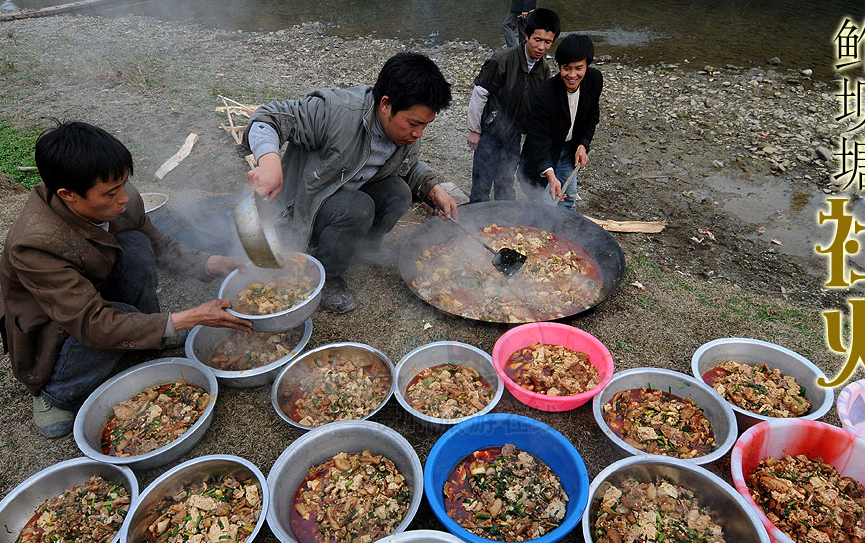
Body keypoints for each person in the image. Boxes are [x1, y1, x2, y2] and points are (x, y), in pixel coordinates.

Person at [0, 122, 251, 438]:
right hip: (58, 326)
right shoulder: (36, 244)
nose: (123, 198)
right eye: (110, 193)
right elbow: (92, 324)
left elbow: (158, 245)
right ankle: (56, 393)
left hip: (94, 292)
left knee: (135, 243)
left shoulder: (123, 198)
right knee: (111, 320)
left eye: (123, 184)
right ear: (68, 195)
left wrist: (212, 262)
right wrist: (188, 318)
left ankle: (148, 334)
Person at [244, 52, 458, 314]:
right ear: (386, 104)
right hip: (302, 207)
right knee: (358, 207)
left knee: (399, 193)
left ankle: (362, 249)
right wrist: (269, 162)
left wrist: (433, 188)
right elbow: (267, 118)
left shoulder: (406, 134)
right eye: (414, 123)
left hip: (346, 196)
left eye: (425, 125)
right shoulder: (337, 112)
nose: (418, 133)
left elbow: (409, 166)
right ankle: (326, 273)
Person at [468, 8, 560, 203]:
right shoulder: (501, 61)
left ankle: (504, 220)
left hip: (514, 135)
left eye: (547, 42)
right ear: (526, 36)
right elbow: (479, 94)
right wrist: (474, 130)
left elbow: (541, 107)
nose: (541, 47)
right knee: (481, 184)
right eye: (537, 40)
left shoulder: (543, 70)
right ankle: (475, 217)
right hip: (490, 131)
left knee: (506, 184)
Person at [520, 34, 602, 211]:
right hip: (543, 153)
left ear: (587, 65)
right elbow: (538, 140)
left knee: (568, 198)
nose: (572, 75)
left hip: (569, 150)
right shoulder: (543, 96)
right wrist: (550, 174)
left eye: (578, 68)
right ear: (559, 66)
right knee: (546, 203)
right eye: (566, 68)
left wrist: (583, 144)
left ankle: (567, 227)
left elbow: (592, 117)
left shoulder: (594, 80)